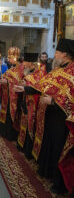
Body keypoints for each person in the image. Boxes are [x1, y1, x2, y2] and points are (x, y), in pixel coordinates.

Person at [31, 39, 74, 195]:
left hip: (63, 121)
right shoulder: (56, 71)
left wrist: (54, 101)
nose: (54, 54)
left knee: (59, 149)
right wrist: (23, 88)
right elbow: (40, 86)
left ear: (65, 54)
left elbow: (71, 98)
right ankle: (48, 172)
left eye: (57, 52)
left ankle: (59, 184)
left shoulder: (73, 71)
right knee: (48, 143)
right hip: (50, 117)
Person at [13, 53, 47, 159]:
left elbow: (39, 88)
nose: (23, 64)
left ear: (31, 63)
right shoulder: (28, 72)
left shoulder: (40, 73)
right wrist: (22, 85)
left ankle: (28, 150)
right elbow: (27, 84)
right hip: (25, 102)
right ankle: (21, 145)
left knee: (31, 127)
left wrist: (25, 88)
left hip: (34, 105)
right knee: (24, 124)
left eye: (25, 62)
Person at [0, 47, 24, 141]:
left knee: (12, 114)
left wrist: (7, 82)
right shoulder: (13, 67)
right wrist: (2, 81)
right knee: (6, 112)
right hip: (7, 96)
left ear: (15, 57)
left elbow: (20, 82)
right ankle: (4, 131)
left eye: (10, 57)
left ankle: (11, 134)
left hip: (16, 98)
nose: (8, 59)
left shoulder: (22, 68)